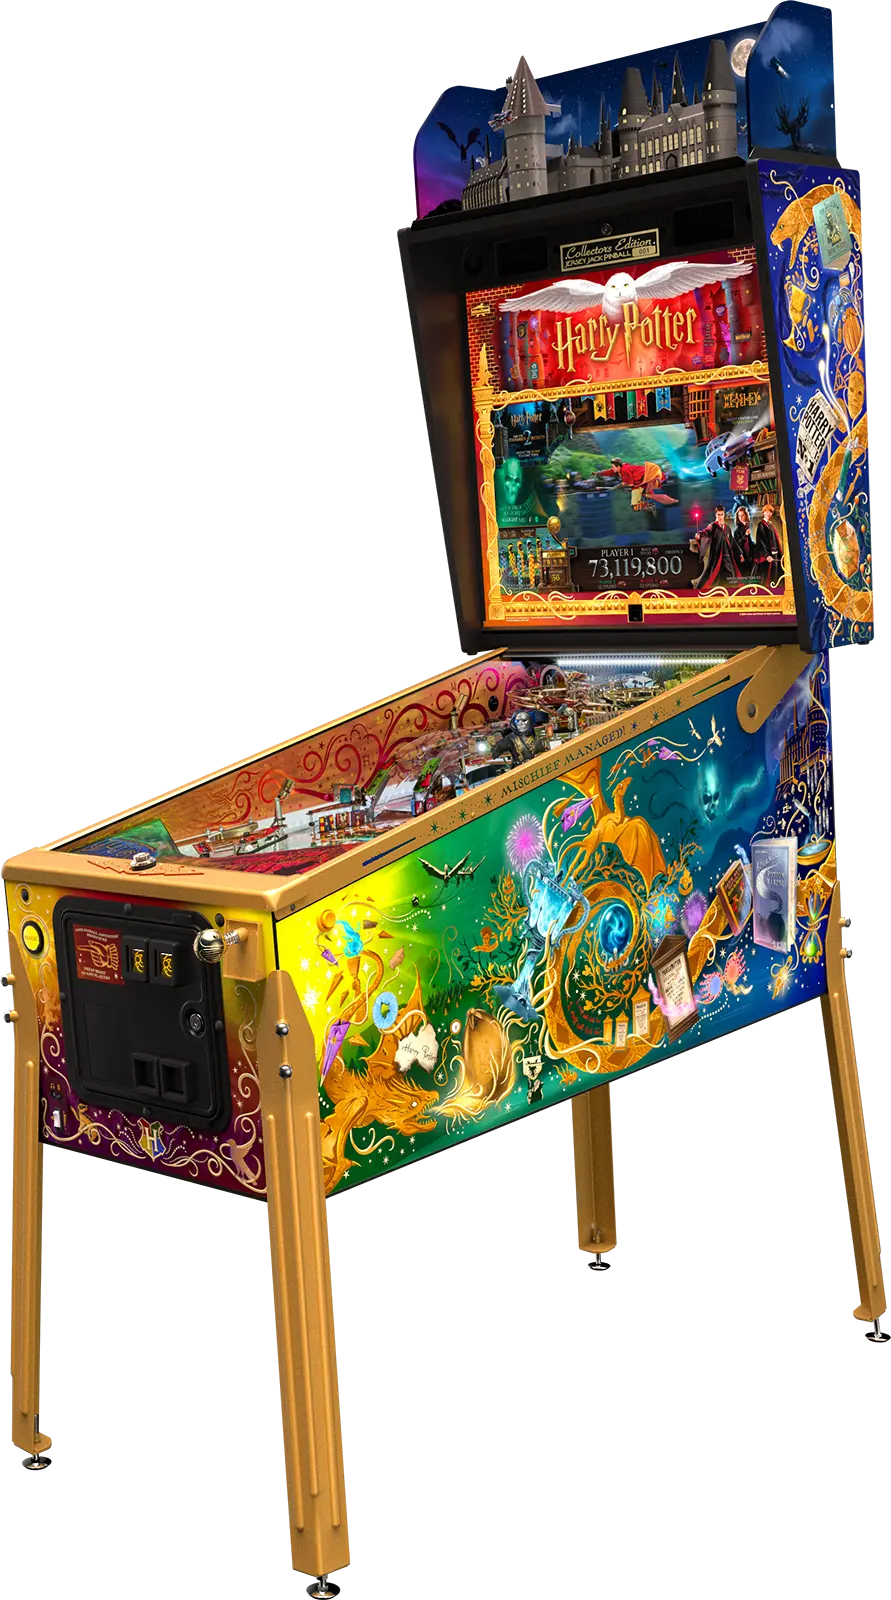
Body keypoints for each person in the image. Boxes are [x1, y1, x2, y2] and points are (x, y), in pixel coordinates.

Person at [690, 504, 741, 591]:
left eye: (722, 514)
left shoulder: (727, 528)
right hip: (717, 556)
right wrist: (699, 535)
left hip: (727, 556)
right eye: (718, 514)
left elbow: (732, 541)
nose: (720, 516)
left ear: (724, 514)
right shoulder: (713, 526)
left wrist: (739, 553)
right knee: (713, 576)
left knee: (731, 575)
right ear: (716, 515)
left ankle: (730, 592)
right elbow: (706, 532)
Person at [597, 457, 679, 512]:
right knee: (636, 506)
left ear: (618, 466)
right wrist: (599, 473)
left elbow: (630, 483)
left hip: (646, 479)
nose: (612, 468)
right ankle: (650, 506)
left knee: (649, 496)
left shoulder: (625, 470)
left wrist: (620, 486)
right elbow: (610, 472)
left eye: (613, 466)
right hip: (641, 484)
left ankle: (655, 504)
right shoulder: (619, 470)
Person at [753, 499, 784, 586]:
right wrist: (766, 555)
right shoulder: (761, 525)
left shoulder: (770, 525)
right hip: (768, 555)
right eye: (766, 512)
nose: (768, 514)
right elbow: (761, 541)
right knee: (767, 578)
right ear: (763, 513)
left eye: (770, 512)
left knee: (775, 577)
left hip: (775, 554)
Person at [731, 504, 757, 577]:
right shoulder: (737, 531)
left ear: (746, 516)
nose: (741, 517)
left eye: (742, 515)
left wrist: (756, 546)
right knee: (743, 576)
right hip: (742, 557)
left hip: (749, 556)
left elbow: (749, 542)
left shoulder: (746, 527)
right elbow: (737, 545)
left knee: (750, 575)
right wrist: (745, 535)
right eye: (739, 516)